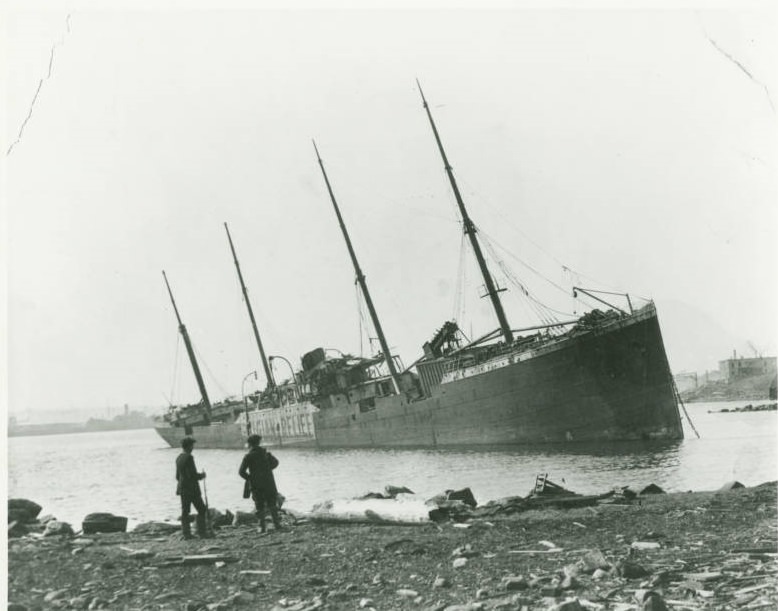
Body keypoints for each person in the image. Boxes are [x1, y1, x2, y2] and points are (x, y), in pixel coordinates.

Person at [239, 434, 281, 533]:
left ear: (249, 444)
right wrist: (267, 470)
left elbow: (241, 472)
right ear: (258, 443)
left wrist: (250, 478)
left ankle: (261, 527)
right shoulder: (266, 453)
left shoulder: (248, 456)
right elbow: (276, 463)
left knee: (259, 505)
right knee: (272, 503)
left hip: (256, 484)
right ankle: (277, 524)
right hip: (269, 482)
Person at [175, 436, 208, 539]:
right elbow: (192, 475)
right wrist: (201, 476)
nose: (193, 447)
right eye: (192, 445)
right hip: (191, 489)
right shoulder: (189, 457)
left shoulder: (179, 457)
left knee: (185, 511)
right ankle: (201, 532)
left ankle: (186, 534)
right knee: (202, 509)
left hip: (182, 488)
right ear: (189, 446)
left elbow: (177, 476)